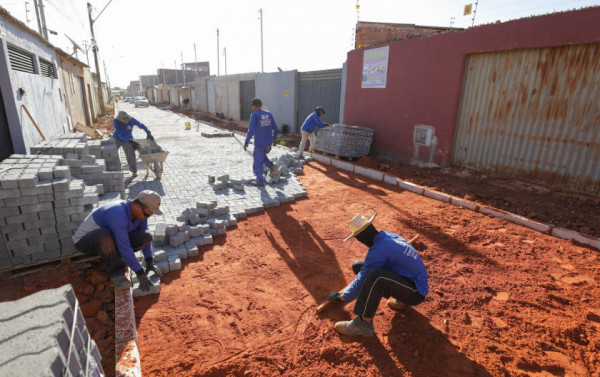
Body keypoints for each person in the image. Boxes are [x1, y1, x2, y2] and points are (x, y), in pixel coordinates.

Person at [328, 213, 429, 337]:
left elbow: (361, 280)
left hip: (416, 292)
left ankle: (363, 324)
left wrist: (341, 297)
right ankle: (401, 299)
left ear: (361, 238)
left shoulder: (377, 250)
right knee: (359, 266)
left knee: (376, 275)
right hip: (409, 282)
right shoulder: (386, 236)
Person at [72, 190, 164, 291]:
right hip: (86, 242)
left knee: (147, 236)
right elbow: (124, 246)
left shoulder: (141, 213)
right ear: (138, 207)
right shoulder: (118, 213)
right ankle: (116, 273)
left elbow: (142, 234)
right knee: (104, 235)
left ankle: (119, 258)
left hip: (110, 241)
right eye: (148, 214)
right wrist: (140, 273)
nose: (148, 217)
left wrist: (149, 261)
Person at [244, 98, 279, 186]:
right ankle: (271, 166)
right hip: (268, 142)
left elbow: (251, 130)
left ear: (254, 106)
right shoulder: (269, 114)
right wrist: (274, 137)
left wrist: (246, 141)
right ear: (261, 105)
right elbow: (276, 128)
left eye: (252, 106)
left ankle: (259, 180)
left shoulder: (254, 115)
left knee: (257, 161)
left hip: (259, 142)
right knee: (262, 157)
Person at [113, 111, 155, 178]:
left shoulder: (132, 120)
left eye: (127, 120)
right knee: (112, 153)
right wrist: (131, 141)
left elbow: (140, 125)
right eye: (124, 121)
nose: (126, 122)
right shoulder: (115, 122)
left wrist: (148, 132)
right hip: (117, 138)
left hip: (128, 138)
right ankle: (114, 170)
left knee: (131, 155)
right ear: (120, 120)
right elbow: (120, 135)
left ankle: (133, 171)